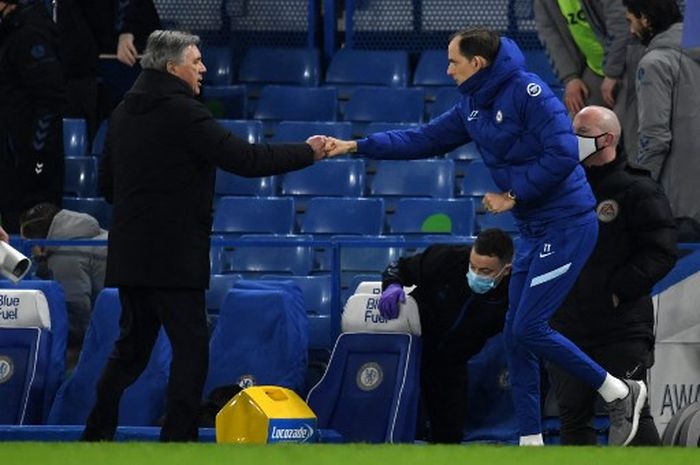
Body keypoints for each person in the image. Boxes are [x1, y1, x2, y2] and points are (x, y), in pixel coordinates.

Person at [324, 27, 646, 447]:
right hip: (533, 230)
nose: (447, 69)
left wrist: (513, 195)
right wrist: (353, 146)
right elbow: (422, 139)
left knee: (530, 327)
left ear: (477, 63)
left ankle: (620, 392)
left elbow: (565, 152)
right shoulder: (472, 105)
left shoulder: (529, 92)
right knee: (516, 334)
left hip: (568, 224)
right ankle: (531, 442)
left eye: (453, 61)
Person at [81, 30, 328, 443]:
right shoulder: (183, 112)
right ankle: (178, 438)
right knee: (191, 349)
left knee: (130, 351)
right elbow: (246, 159)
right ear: (172, 67)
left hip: (130, 256)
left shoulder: (122, 111)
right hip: (175, 256)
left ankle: (96, 431)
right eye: (196, 61)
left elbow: (106, 185)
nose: (203, 69)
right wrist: (308, 151)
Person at [549, 105, 677, 445]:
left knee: (632, 413)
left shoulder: (639, 190)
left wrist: (617, 290)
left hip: (620, 326)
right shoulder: (560, 187)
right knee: (572, 416)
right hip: (566, 325)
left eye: (582, 134)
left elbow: (661, 251)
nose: (573, 140)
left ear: (607, 139)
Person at [378, 228, 513, 443]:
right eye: (473, 266)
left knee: (449, 437)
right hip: (413, 354)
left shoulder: (514, 291)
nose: (476, 274)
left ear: (505, 270)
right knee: (393, 429)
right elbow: (398, 267)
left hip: (452, 364)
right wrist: (392, 286)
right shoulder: (447, 259)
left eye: (486, 271)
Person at [623, 0, 700, 230]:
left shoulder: (654, 64)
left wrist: (639, 188)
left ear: (645, 18)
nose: (631, 30)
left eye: (631, 20)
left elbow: (654, 137)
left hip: (681, 204)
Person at [0, 0, 65, 234]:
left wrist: (35, 153)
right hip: (14, 160)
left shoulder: (29, 34)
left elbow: (50, 98)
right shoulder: (11, 32)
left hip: (32, 163)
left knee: (34, 231)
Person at [19, 202, 108, 369]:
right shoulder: (86, 232)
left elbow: (76, 311)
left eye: (30, 244)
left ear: (39, 240)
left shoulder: (67, 254)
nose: (31, 251)